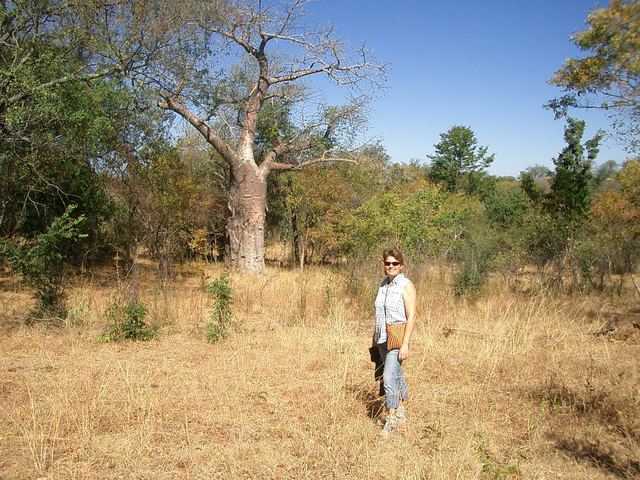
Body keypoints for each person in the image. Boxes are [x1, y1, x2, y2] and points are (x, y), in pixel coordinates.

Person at [373, 248, 417, 437]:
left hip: (397, 336)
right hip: (381, 337)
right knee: (396, 374)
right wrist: (374, 338)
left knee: (389, 377)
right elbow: (379, 314)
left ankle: (390, 419)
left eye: (395, 263)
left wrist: (405, 344)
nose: (391, 266)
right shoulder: (383, 285)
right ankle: (400, 410)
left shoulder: (406, 285)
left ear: (401, 265)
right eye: (387, 263)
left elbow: (412, 315)